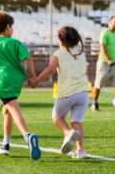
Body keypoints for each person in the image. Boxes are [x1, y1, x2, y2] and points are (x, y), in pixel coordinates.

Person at [0, 11, 41, 160]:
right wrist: (33, 76)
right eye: (12, 27)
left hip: (1, 82)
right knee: (6, 110)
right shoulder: (15, 43)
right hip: (16, 81)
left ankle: (27, 136)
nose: (12, 30)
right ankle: (5, 145)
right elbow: (28, 57)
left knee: (12, 107)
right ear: (7, 27)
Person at [30, 26, 90, 158]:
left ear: (61, 41)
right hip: (84, 93)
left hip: (67, 92)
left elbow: (50, 70)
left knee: (57, 117)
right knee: (77, 121)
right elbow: (85, 71)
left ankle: (68, 133)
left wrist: (37, 81)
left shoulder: (58, 54)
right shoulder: (80, 52)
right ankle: (81, 151)